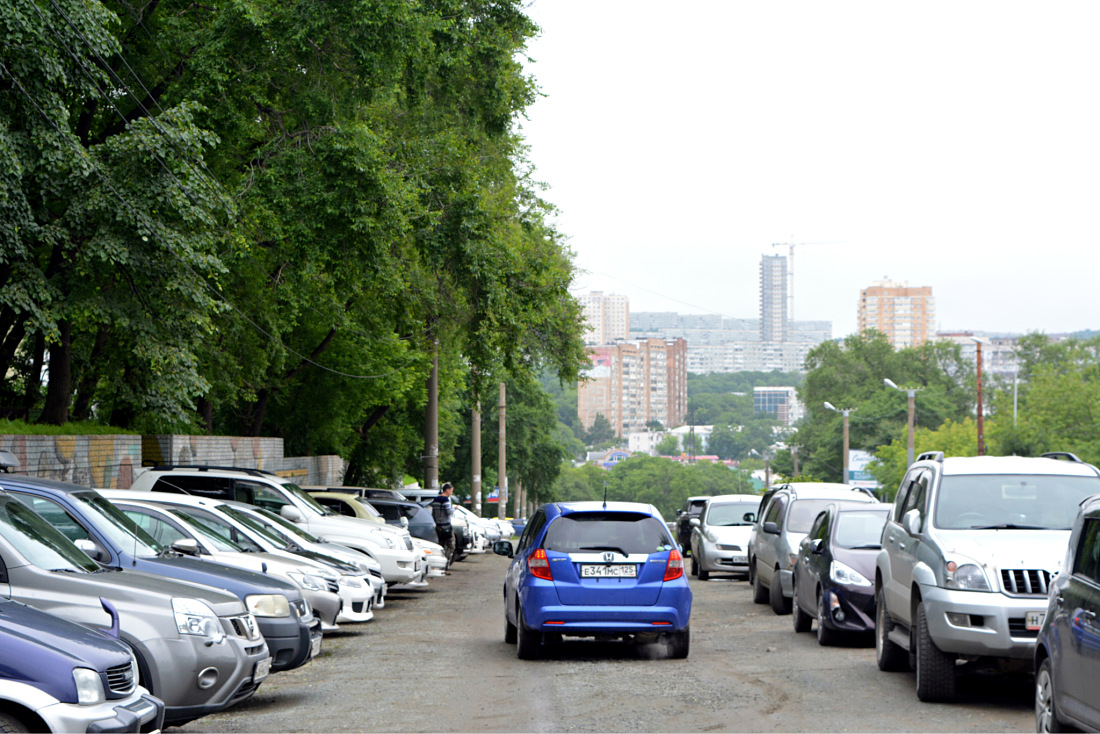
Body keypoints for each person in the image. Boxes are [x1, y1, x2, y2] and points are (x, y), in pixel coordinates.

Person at [430, 482, 456, 573]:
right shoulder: (446, 500)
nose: (451, 493)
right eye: (451, 491)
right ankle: (445, 565)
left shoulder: (436, 499)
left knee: (441, 546)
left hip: (438, 526)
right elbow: (448, 512)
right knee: (451, 546)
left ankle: (439, 565)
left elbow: (433, 513)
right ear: (447, 490)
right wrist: (454, 509)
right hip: (446, 526)